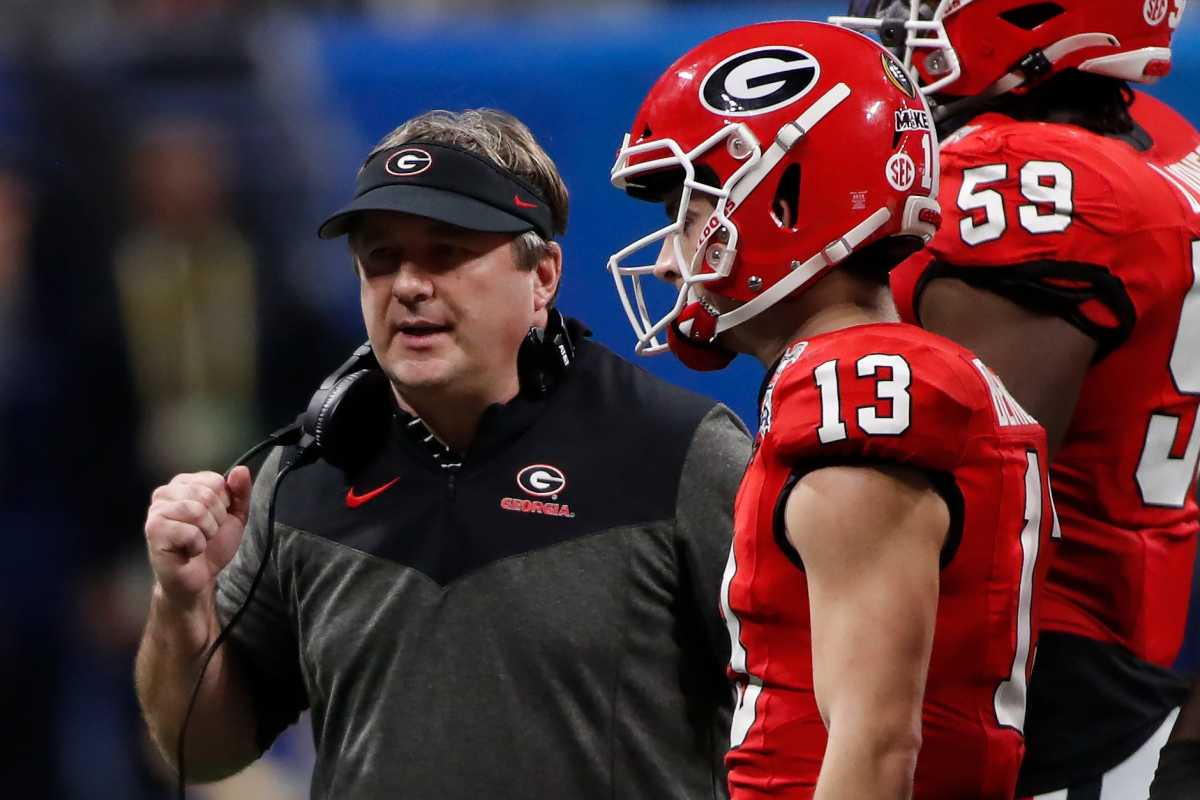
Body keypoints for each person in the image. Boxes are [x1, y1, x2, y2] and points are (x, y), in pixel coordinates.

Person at [134, 108, 751, 799]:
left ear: (543, 275)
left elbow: (816, 709)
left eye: (447, 252)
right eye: (381, 258)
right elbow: (202, 749)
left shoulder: (676, 455)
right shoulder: (303, 476)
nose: (408, 285)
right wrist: (181, 604)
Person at [606, 20, 1058, 800]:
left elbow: (877, 741)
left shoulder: (860, 392)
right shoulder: (873, 375)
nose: (674, 255)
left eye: (688, 208)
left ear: (784, 198)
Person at [832, 2, 1200, 797]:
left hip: (1031, 684)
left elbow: (980, 503)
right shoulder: (1162, 143)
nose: (902, 16)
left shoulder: (1025, 180)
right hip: (1134, 640)